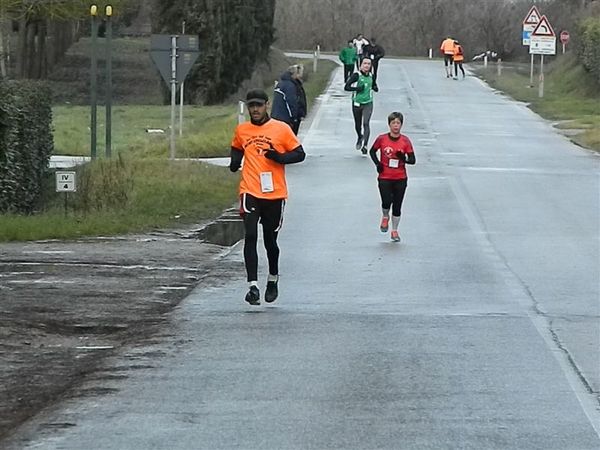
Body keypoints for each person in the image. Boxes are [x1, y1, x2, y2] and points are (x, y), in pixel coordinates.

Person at [230, 89, 306, 305]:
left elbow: (300, 154)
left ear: (267, 105)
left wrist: (279, 157)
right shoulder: (242, 129)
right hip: (250, 190)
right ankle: (252, 286)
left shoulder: (281, 129)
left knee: (270, 241)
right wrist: (235, 161)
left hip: (274, 193)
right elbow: (236, 146)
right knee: (251, 235)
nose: (255, 110)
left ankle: (272, 278)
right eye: (251, 106)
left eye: (259, 105)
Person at [368, 111, 416, 242]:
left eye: (398, 123)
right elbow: (372, 151)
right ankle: (385, 216)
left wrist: (404, 158)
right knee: (386, 201)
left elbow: (413, 160)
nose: (396, 126)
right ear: (389, 125)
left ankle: (394, 231)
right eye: (393, 123)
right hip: (385, 177)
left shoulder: (405, 141)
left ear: (401, 125)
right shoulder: (382, 139)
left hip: (400, 177)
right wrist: (378, 164)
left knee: (397, 205)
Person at [344, 57, 378, 155]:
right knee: (357, 124)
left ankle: (365, 145)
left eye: (368, 64)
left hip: (368, 103)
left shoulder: (372, 76)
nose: (367, 65)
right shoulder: (356, 75)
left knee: (366, 123)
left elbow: (374, 85)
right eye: (365, 63)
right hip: (357, 103)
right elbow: (346, 87)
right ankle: (360, 136)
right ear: (361, 65)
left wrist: (375, 88)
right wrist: (357, 88)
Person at [271, 65, 306, 135]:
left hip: (276, 117)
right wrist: (294, 118)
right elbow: (291, 102)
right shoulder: (290, 86)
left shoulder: (280, 83)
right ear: (295, 74)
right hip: (286, 119)